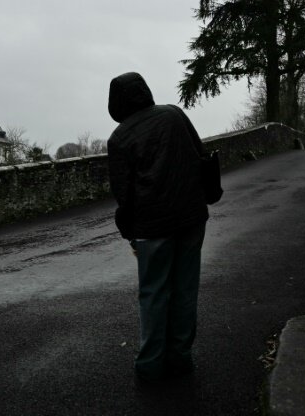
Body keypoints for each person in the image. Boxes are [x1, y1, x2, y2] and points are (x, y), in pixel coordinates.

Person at [106, 72, 209, 383]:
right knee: (185, 289)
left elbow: (124, 194)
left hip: (152, 227)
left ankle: (150, 364)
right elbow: (200, 156)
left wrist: (130, 233)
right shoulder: (174, 114)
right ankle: (181, 357)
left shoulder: (120, 138)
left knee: (153, 293)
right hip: (191, 217)